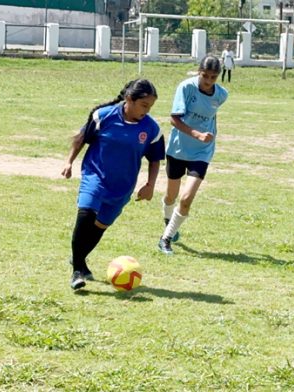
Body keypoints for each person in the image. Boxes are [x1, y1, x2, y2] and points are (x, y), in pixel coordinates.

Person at [62, 79, 164, 290]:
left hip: (122, 187)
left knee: (99, 227)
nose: (147, 110)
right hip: (95, 176)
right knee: (86, 214)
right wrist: (69, 161)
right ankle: (78, 270)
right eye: (144, 105)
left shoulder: (152, 129)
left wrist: (150, 185)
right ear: (129, 99)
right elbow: (82, 138)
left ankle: (78, 258)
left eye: (150, 107)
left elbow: (155, 159)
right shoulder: (103, 116)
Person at [158, 56, 228, 254]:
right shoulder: (186, 88)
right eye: (205, 76)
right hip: (178, 149)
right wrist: (197, 133)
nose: (208, 81)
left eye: (213, 78)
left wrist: (209, 136)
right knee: (171, 195)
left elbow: (211, 115)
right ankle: (167, 217)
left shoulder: (222, 95)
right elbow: (174, 119)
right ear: (199, 71)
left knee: (186, 198)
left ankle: (166, 239)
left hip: (202, 152)